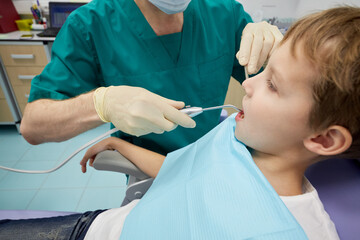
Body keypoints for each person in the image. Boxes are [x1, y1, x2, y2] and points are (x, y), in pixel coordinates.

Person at [2, 5, 359, 240]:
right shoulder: (233, 133)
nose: (246, 85)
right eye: (262, 75)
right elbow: (182, 168)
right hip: (100, 228)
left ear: (325, 139)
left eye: (271, 82)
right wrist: (106, 110)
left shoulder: (299, 229)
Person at [19, 0, 283, 157]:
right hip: (147, 170)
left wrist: (282, 54)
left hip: (213, 158)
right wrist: (101, 103)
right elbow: (32, 126)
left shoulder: (223, 13)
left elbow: (278, 86)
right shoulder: (91, 24)